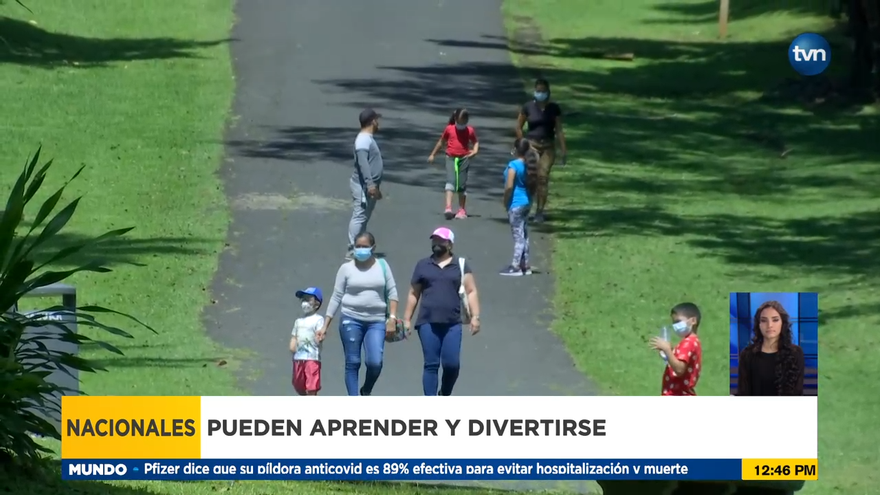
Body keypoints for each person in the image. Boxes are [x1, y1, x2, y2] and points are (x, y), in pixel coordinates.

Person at [403, 227, 481, 396]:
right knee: (431, 364)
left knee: (452, 365)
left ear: (450, 244)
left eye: (441, 240)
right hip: (427, 323)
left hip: (452, 323)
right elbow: (413, 293)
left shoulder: (459, 265)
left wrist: (475, 316)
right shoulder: (423, 265)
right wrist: (406, 319)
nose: (437, 243)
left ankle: (444, 394)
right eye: (434, 240)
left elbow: (471, 290)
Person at [320, 232, 399, 396]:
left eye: (365, 247)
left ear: (373, 248)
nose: (361, 250)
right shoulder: (346, 268)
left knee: (375, 362)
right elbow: (336, 296)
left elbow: (392, 292)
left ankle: (366, 390)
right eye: (358, 247)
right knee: (353, 361)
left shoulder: (382, 266)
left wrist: (392, 318)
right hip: (351, 318)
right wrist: (325, 325)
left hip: (376, 321)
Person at [515, 78, 568, 223]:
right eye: (538, 90)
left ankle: (540, 211)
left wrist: (564, 149)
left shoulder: (554, 109)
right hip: (532, 144)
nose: (540, 93)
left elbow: (559, 130)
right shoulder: (528, 107)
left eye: (543, 91)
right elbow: (519, 127)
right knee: (531, 177)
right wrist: (521, 144)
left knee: (543, 178)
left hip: (548, 147)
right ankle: (526, 208)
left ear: (548, 92)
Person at [736, 300, 805, 396]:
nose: (769, 325)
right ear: (758, 324)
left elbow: (797, 393)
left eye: (775, 320)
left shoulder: (795, 353)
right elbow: (743, 392)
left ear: (783, 323)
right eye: (764, 320)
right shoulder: (747, 355)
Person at [428, 108, 480, 220]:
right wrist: (433, 154)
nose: (462, 124)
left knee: (461, 184)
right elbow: (441, 142)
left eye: (465, 122)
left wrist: (475, 151)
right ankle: (448, 207)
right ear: (455, 119)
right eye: (461, 122)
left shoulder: (469, 130)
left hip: (464, 158)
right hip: (450, 157)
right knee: (451, 181)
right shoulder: (449, 129)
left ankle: (462, 209)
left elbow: (475, 142)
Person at [347, 108, 384, 258]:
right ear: (373, 121)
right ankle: (352, 249)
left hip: (367, 185)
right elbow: (363, 164)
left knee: (363, 218)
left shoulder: (366, 138)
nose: (378, 123)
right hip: (363, 186)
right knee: (359, 216)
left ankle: (360, 247)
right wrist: (370, 184)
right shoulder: (363, 139)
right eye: (377, 120)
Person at [500, 138, 539, 276]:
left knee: (518, 236)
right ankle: (525, 264)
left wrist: (505, 201)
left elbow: (509, 187)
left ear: (516, 149)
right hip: (527, 202)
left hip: (516, 203)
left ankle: (515, 266)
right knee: (524, 234)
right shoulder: (530, 164)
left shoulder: (513, 165)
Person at [650, 302, 703, 396]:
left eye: (678, 321)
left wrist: (667, 350)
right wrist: (670, 352)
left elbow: (679, 369)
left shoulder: (688, 343)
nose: (675, 326)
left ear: (693, 320)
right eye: (674, 323)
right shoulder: (693, 342)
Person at [289, 287, 325, 396]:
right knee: (298, 383)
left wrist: (320, 337)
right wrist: (292, 343)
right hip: (298, 358)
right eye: (303, 299)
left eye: (308, 299)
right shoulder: (298, 321)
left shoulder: (318, 319)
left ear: (316, 304)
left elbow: (321, 332)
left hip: (312, 357)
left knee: (311, 386)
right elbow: (295, 335)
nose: (305, 302)